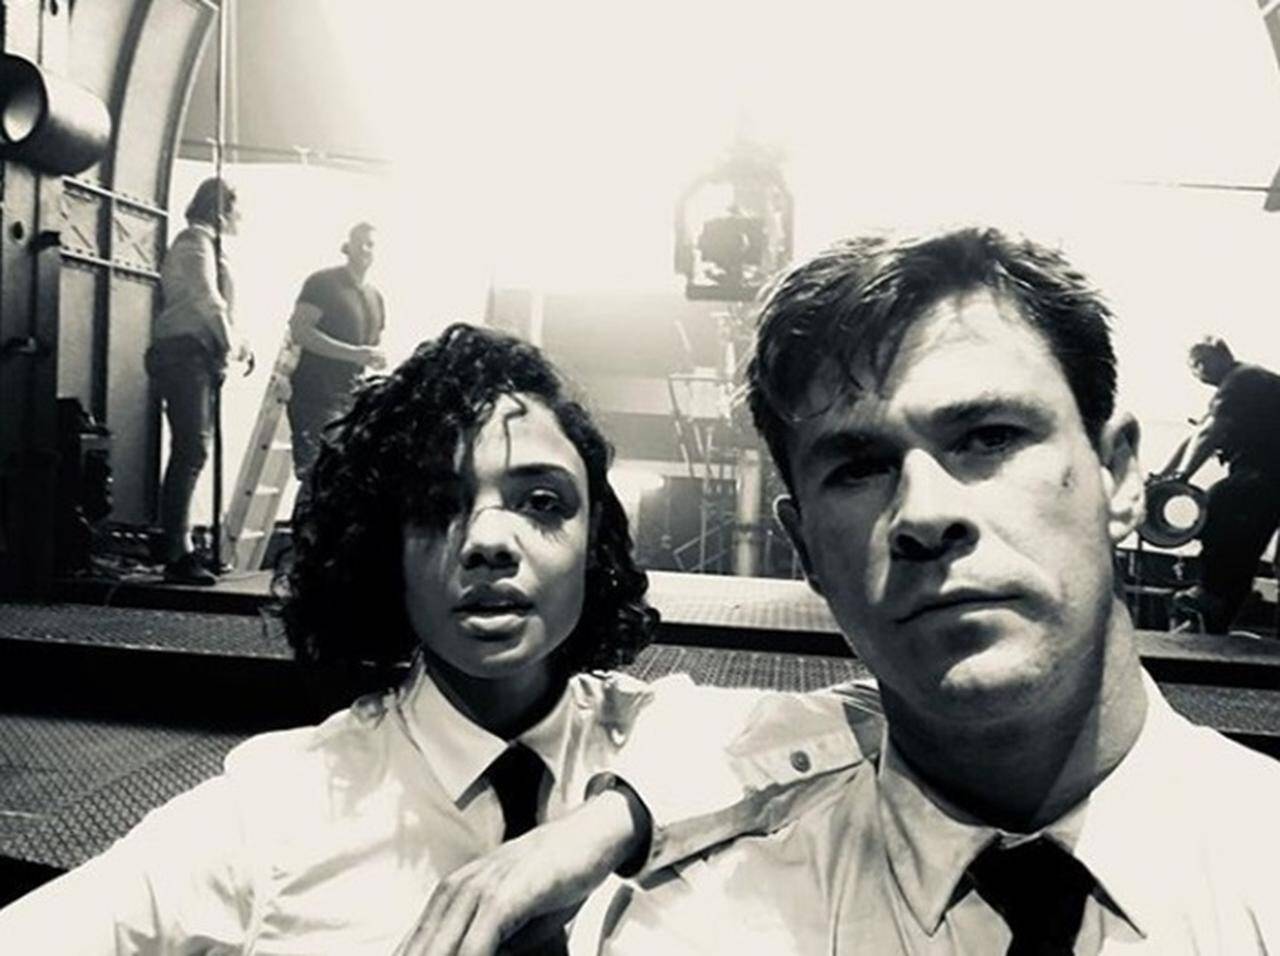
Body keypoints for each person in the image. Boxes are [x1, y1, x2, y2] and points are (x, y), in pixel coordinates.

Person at [0, 324, 879, 954]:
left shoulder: (672, 737)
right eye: (437, 504)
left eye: (542, 502)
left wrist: (606, 826)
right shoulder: (274, 808)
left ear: (593, 543)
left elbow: (882, 712)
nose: (490, 540)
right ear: (386, 550)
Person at [587, 228, 1280, 954]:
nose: (923, 513)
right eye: (859, 468)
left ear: (1119, 475)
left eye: (989, 436)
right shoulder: (697, 926)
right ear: (807, 549)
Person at [146, 177, 253, 586]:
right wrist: (232, 345)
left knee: (192, 450)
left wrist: (236, 344)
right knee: (191, 449)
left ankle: (179, 544)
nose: (241, 217)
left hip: (193, 355)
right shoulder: (194, 244)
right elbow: (207, 301)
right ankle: (177, 551)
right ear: (220, 210)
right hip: (185, 355)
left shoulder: (201, 245)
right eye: (237, 209)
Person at [1155, 336, 1280, 633]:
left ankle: (1211, 599)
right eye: (1193, 366)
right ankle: (1217, 611)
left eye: (1201, 363)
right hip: (1270, 476)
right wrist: (1164, 474)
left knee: (1221, 504)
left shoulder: (1241, 380)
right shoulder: (1249, 383)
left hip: (1266, 474)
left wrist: (1181, 477)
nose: (1197, 372)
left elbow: (1210, 434)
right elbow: (1197, 435)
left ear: (1221, 356)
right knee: (1246, 545)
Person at [285, 221, 388, 482]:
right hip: (316, 396)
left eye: (371, 245)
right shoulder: (323, 283)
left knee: (343, 480)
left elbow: (370, 346)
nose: (365, 249)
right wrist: (354, 353)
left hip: (351, 402)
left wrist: (373, 359)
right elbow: (300, 330)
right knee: (318, 477)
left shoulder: (375, 297)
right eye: (360, 243)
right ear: (347, 247)